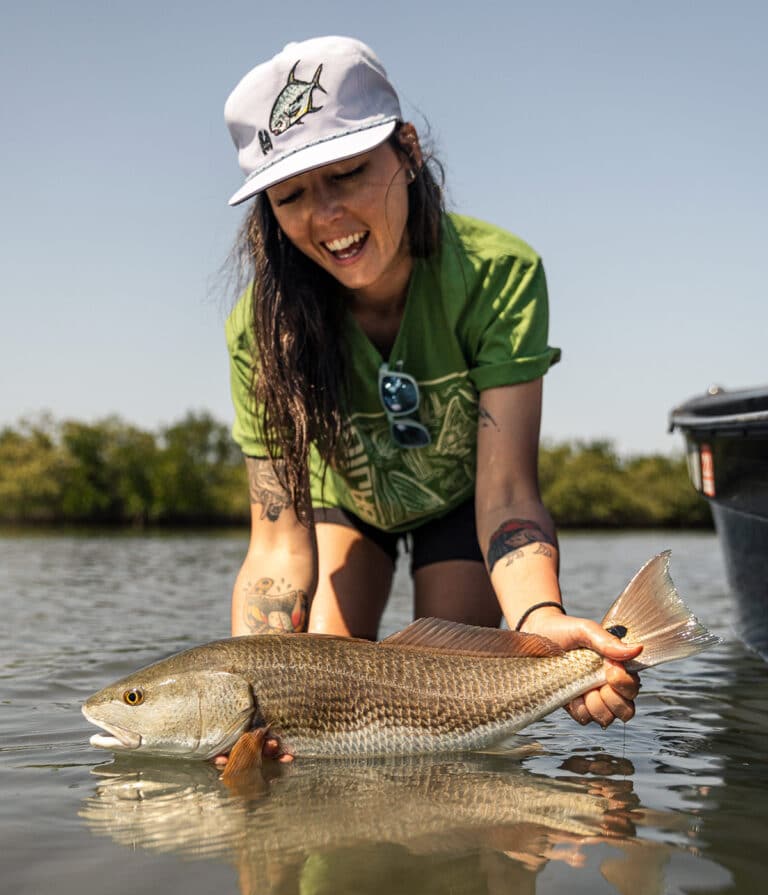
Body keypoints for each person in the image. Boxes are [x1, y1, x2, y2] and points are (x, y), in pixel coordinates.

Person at [222, 35, 641, 736]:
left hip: (461, 504)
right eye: (290, 195)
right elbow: (276, 546)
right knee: (319, 685)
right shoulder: (258, 331)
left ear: (408, 151)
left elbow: (507, 494)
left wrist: (539, 622)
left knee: (443, 705)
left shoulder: (498, 272)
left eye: (348, 174)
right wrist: (243, 697)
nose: (326, 217)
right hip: (345, 504)